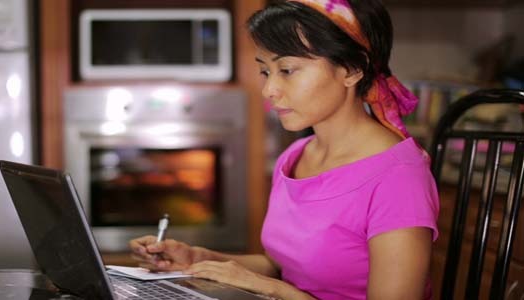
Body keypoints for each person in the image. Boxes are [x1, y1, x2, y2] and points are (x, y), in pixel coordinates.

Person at [128, 0, 439, 299]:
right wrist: (197, 257)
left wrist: (273, 290)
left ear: (352, 69)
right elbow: (284, 267)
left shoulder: (398, 178)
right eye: (265, 71)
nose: (269, 90)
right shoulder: (297, 156)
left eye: (287, 70)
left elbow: (279, 284)